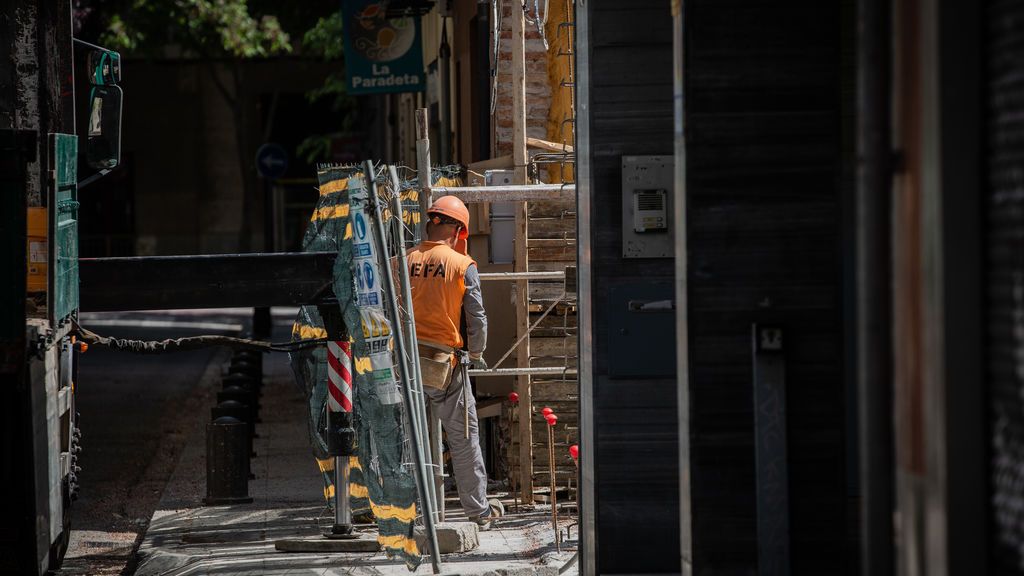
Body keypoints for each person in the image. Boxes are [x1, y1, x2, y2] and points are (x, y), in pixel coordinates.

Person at [406, 195, 493, 530]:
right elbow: (477, 318)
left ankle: (406, 512)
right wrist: (476, 354)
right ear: (457, 230)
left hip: (408, 361)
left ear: (432, 223)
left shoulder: (403, 260)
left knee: (408, 438)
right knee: (464, 438)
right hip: (446, 366)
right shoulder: (462, 265)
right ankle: (478, 512)